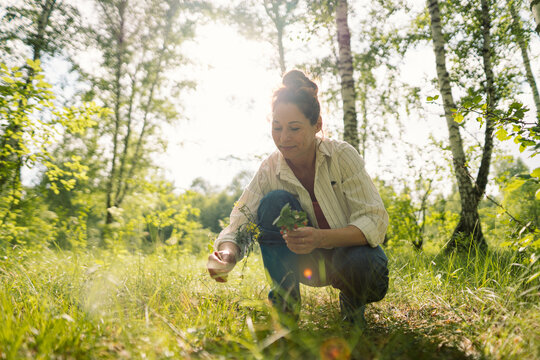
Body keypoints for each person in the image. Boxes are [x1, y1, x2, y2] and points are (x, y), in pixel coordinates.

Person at [207, 70, 389, 327]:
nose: (283, 138)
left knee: (364, 264)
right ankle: (285, 310)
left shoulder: (341, 156)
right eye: (277, 128)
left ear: (317, 125)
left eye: (294, 128)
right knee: (273, 201)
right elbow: (241, 221)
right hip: (306, 264)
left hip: (350, 261)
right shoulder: (270, 168)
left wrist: (321, 237)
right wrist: (226, 254)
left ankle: (352, 304)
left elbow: (374, 220)